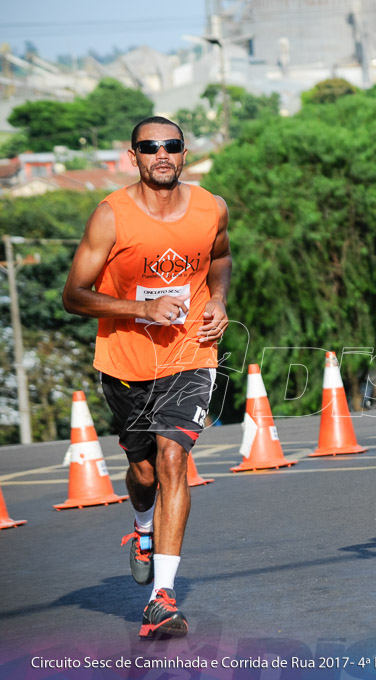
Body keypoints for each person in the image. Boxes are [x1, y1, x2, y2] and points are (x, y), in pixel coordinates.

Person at [63, 116, 231, 639]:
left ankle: (162, 595)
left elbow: (220, 256)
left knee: (174, 458)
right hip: (127, 363)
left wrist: (220, 300)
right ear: (131, 155)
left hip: (191, 355)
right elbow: (73, 295)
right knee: (143, 475)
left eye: (172, 145)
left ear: (184, 153)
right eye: (149, 146)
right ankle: (141, 530)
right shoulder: (112, 216)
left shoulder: (211, 207)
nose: (162, 154)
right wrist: (140, 307)